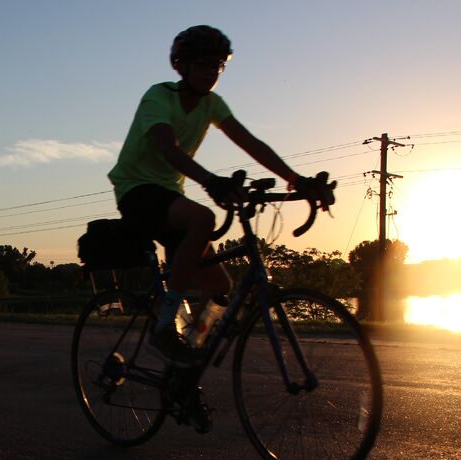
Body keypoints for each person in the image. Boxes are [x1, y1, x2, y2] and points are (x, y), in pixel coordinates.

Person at [108, 25, 324, 366]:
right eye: (205, 63)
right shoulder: (158, 96)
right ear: (183, 65)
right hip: (136, 190)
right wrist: (210, 181)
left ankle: (184, 367)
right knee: (203, 218)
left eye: (219, 66)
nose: (213, 72)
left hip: (169, 195)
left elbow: (250, 142)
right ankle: (164, 328)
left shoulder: (212, 104)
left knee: (219, 292)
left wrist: (297, 180)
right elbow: (168, 148)